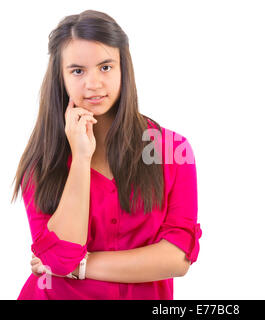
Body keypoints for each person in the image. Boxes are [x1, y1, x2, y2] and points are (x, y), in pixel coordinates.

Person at [11, 10, 202, 300]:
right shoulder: (42, 163)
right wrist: (81, 157)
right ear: (60, 78)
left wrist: (81, 265)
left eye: (106, 67)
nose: (93, 84)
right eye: (77, 71)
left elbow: (177, 258)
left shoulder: (171, 151)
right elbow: (61, 259)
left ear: (123, 68)